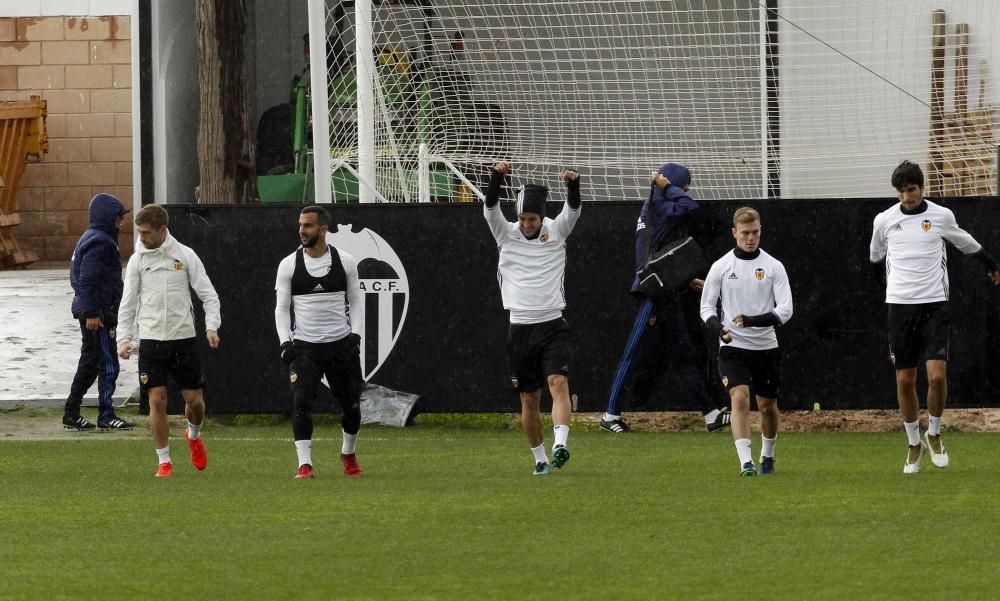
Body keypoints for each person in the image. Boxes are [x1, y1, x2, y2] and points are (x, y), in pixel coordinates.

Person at [870, 160, 1000, 474]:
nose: (906, 197)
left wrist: (990, 264)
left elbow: (965, 241)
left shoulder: (941, 216)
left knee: (937, 376)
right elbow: (875, 258)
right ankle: (914, 443)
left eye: (911, 190)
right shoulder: (884, 220)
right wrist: (892, 291)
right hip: (900, 309)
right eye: (901, 192)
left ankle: (935, 432)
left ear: (922, 187)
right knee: (905, 380)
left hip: (934, 306)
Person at [599, 164, 730, 434]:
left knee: (684, 355)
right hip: (654, 292)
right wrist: (667, 185)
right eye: (684, 183)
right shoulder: (662, 206)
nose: (687, 189)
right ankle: (610, 414)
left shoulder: (655, 207)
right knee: (632, 352)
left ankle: (711, 414)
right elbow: (689, 207)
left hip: (665, 289)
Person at [484, 161, 581, 476]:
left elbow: (573, 209)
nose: (527, 224)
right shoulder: (506, 233)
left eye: (533, 218)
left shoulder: (556, 231)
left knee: (558, 382)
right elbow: (490, 207)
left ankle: (560, 444)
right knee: (528, 398)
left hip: (553, 325)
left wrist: (572, 186)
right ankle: (540, 459)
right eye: (523, 218)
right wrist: (497, 177)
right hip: (520, 329)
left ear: (542, 217)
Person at [117, 204, 221, 478]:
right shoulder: (137, 261)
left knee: (194, 401)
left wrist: (212, 327)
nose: (141, 237)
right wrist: (124, 338)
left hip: (183, 339)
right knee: (157, 400)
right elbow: (127, 303)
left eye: (146, 232)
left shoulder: (185, 255)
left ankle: (193, 434)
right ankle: (164, 461)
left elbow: (208, 294)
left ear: (162, 230)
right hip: (151, 340)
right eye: (138, 232)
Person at [274, 205, 365, 480]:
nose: (302, 230)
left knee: (351, 406)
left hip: (340, 346)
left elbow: (357, 300)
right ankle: (305, 465)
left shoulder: (345, 261)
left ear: (323, 230)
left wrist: (355, 335)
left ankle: (348, 453)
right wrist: (284, 342)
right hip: (305, 349)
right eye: (300, 225)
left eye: (308, 226)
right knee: (300, 403)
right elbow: (281, 308)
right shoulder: (289, 264)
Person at [700, 207, 792, 476]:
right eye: (745, 233)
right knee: (739, 398)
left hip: (766, 346)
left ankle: (768, 455)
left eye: (755, 233)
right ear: (734, 233)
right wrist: (719, 329)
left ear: (760, 231)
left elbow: (786, 310)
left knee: (767, 406)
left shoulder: (774, 266)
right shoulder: (721, 266)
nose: (750, 238)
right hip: (732, 347)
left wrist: (752, 320)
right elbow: (706, 307)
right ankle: (746, 463)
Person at [63, 193, 136, 431]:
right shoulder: (102, 241)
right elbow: (88, 278)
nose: (121, 222)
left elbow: (84, 278)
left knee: (90, 363)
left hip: (91, 310)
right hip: (99, 315)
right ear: (108, 216)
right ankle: (106, 414)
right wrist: (94, 312)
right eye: (118, 217)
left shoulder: (90, 237)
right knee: (108, 364)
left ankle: (72, 412)